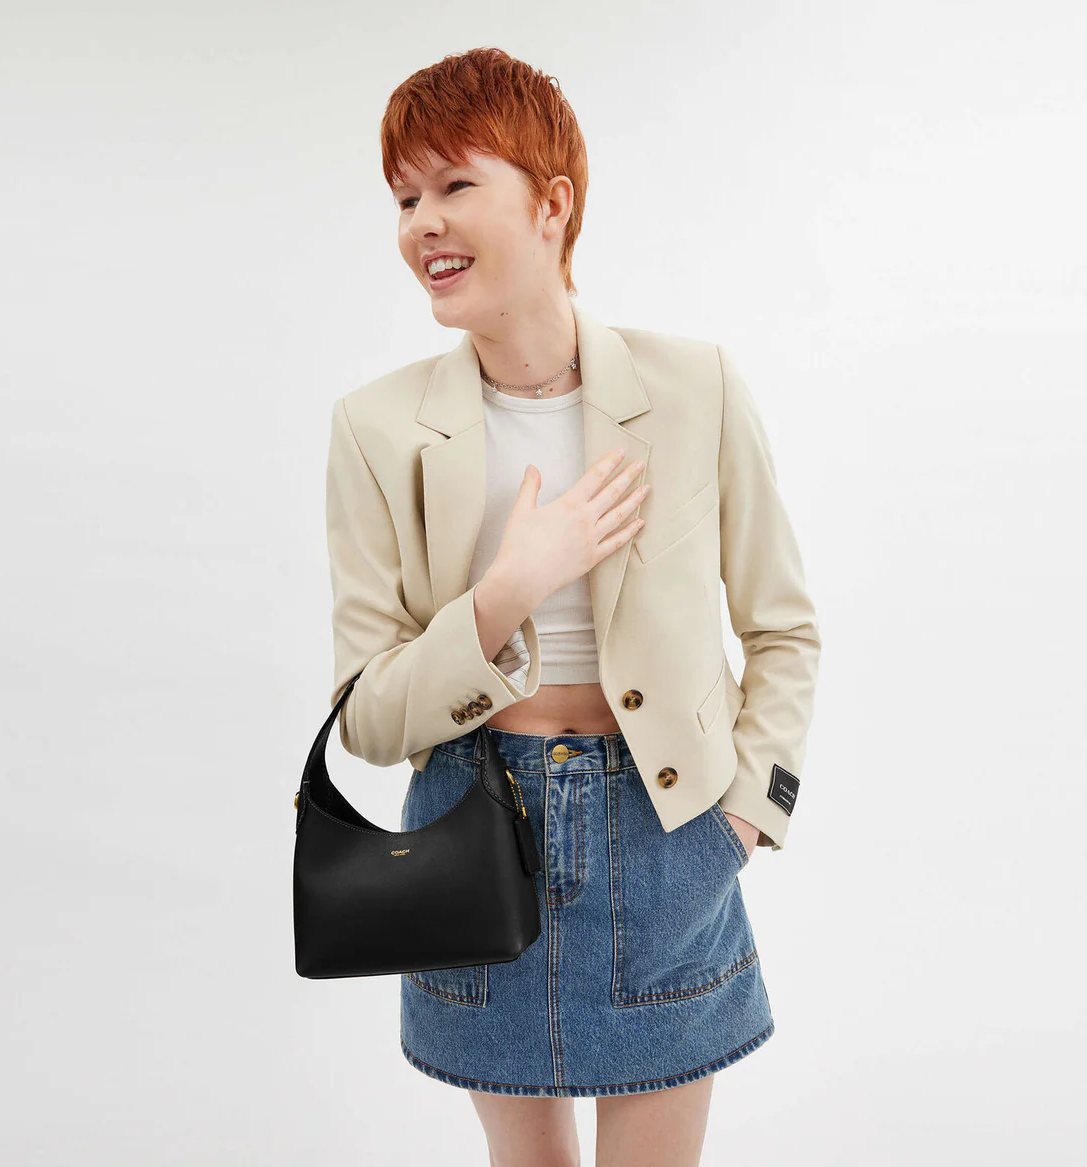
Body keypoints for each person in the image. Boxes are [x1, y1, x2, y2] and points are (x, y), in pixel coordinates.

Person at [325, 46, 821, 1167]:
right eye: (403, 197)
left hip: (667, 830)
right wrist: (507, 589)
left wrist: (745, 818)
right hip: (468, 834)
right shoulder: (375, 427)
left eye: (455, 184)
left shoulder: (695, 386)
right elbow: (366, 714)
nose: (421, 223)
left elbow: (782, 625)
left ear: (552, 204)